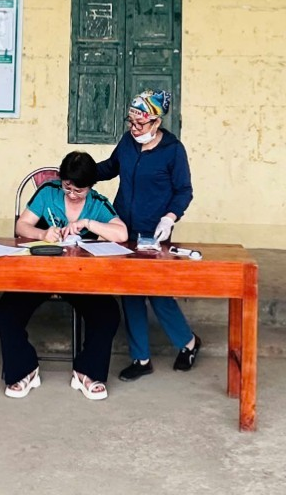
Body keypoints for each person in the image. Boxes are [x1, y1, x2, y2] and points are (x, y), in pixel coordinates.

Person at [0, 151, 127, 400]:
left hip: (80, 277)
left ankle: (87, 372)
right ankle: (25, 369)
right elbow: (21, 226)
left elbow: (121, 234)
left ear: (91, 186)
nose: (72, 194)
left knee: (108, 314)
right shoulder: (49, 192)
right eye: (68, 187)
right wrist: (42, 234)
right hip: (40, 273)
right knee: (6, 313)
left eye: (80, 190)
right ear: (61, 179)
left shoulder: (97, 203)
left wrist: (88, 223)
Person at [95, 90, 200, 381]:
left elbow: (184, 190)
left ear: (156, 122)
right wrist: (81, 171)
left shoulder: (173, 150)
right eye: (131, 122)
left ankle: (189, 342)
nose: (134, 128)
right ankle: (140, 358)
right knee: (130, 293)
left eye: (140, 123)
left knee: (156, 291)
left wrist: (170, 217)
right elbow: (110, 167)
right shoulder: (128, 142)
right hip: (123, 228)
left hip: (154, 231)